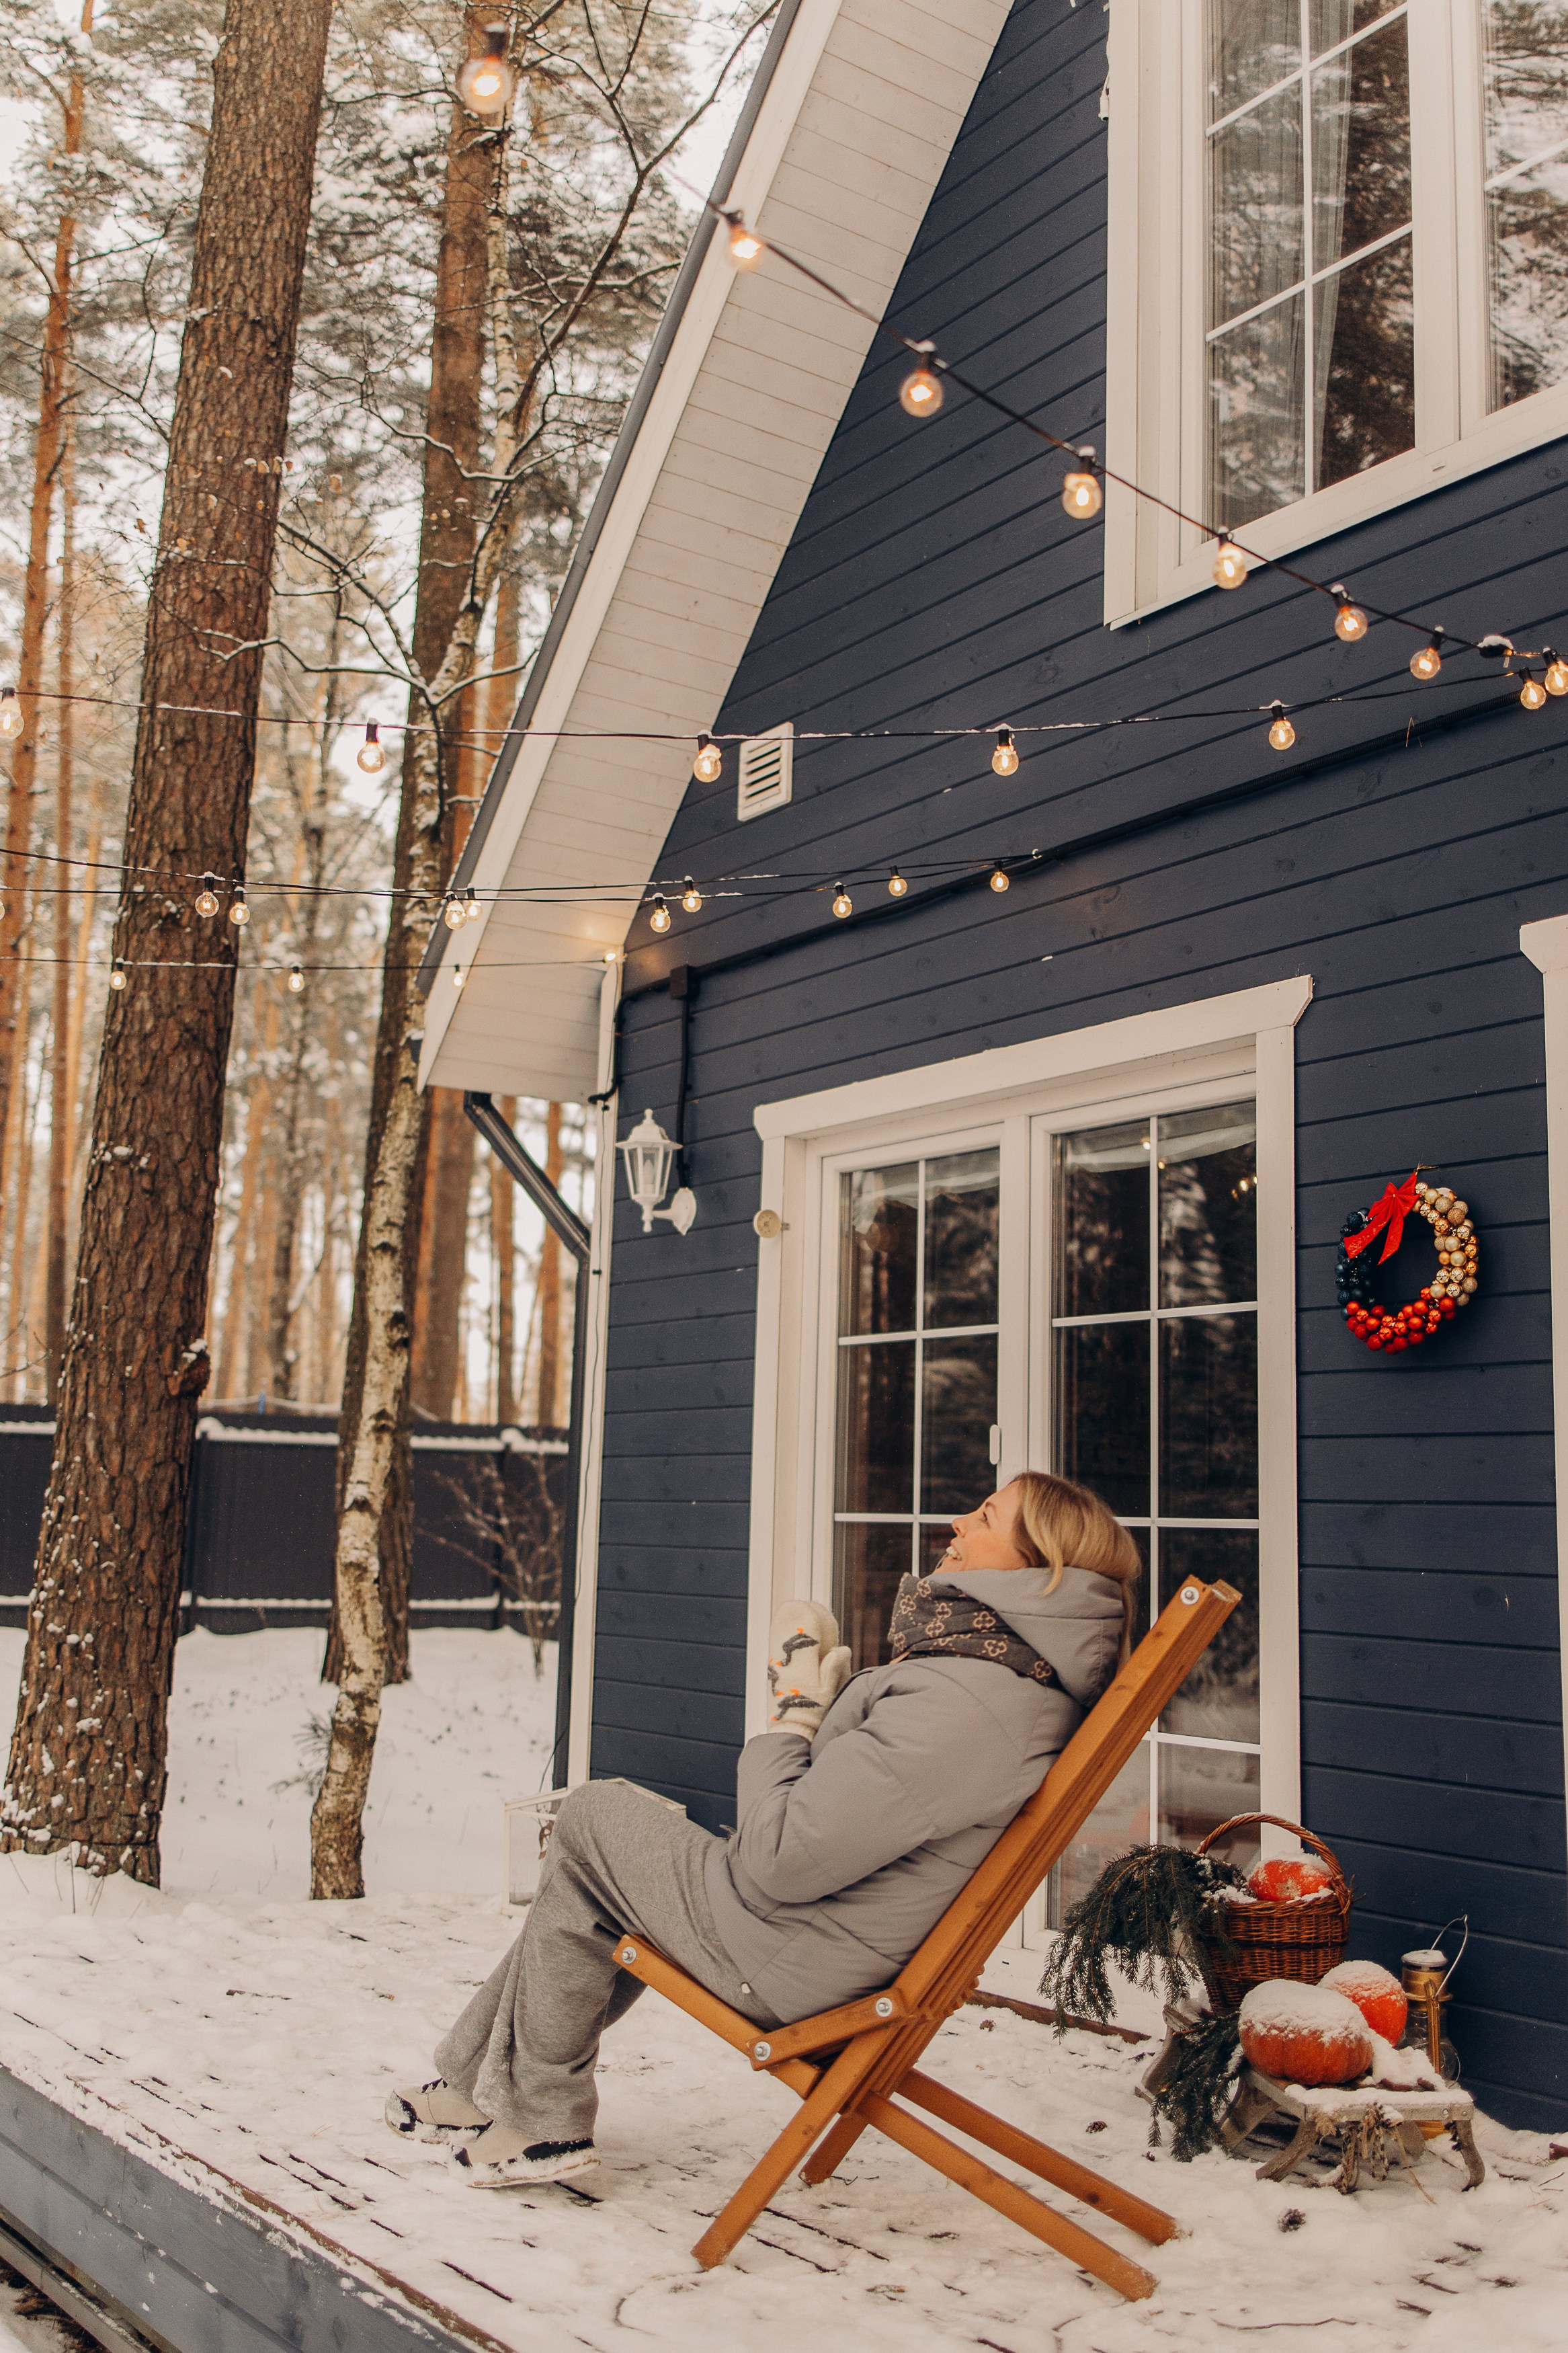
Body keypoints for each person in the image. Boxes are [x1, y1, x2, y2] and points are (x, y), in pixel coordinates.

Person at [385, 1469, 1139, 2188]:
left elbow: (779, 1857)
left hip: (791, 1953)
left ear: (1037, 1567)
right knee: (594, 1871)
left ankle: (542, 2118)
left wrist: (793, 1719)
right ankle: (479, 2088)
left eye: (985, 1516)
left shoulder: (970, 1701)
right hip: (821, 1937)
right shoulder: (1002, 1680)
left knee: (590, 1817)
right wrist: (831, 1716)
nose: (958, 1521)